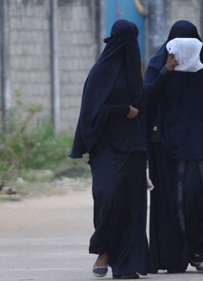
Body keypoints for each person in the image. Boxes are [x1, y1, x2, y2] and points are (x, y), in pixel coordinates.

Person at [143, 20, 203, 273]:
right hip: (165, 145)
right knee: (169, 202)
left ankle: (197, 250)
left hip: (199, 144)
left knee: (195, 198)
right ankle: (170, 258)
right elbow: (147, 99)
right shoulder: (159, 64)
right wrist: (166, 71)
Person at [70, 19, 148, 280]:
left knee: (130, 205)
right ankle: (103, 250)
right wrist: (122, 109)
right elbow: (91, 113)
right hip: (106, 148)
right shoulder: (100, 72)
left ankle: (126, 264)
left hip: (134, 147)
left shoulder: (135, 73)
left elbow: (144, 106)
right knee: (107, 196)